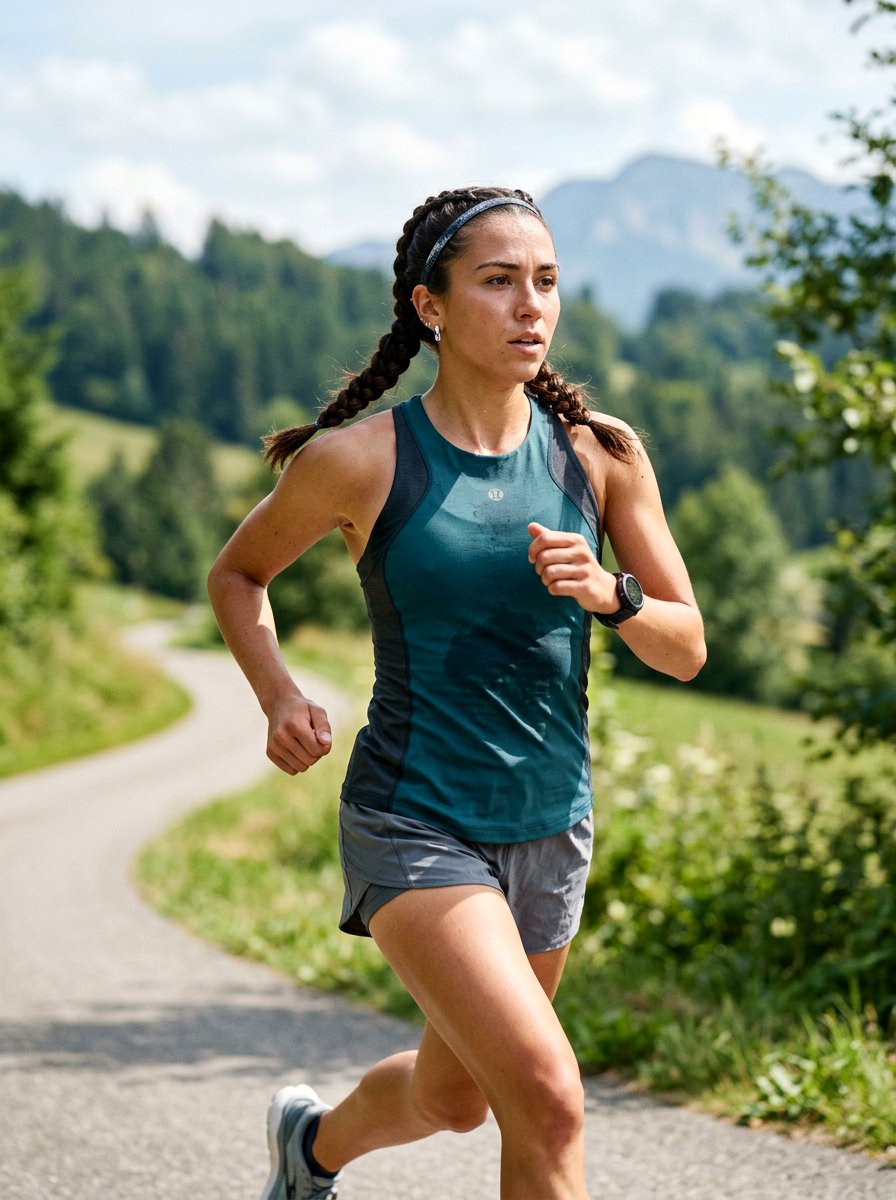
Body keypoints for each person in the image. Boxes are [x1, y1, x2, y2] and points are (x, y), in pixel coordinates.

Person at [207, 185, 706, 1200]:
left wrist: (610, 595)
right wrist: (275, 694)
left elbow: (685, 644)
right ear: (430, 306)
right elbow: (238, 573)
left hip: (548, 821)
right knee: (548, 1096)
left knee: (460, 1096)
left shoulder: (598, 455)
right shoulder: (357, 461)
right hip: (414, 816)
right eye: (498, 281)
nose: (530, 306)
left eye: (545, 282)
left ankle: (310, 1151)